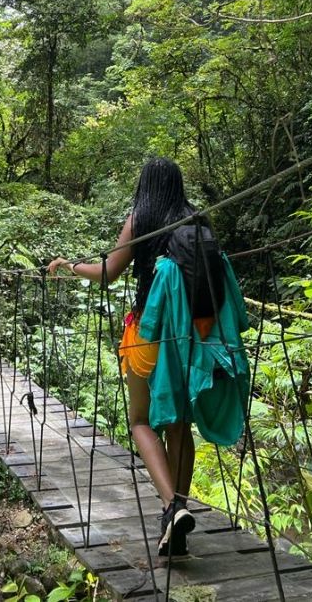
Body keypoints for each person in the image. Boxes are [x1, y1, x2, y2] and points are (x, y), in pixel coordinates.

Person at [48, 157, 200, 558]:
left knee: (139, 420)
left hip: (148, 334)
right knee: (180, 426)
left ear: (145, 184)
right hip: (188, 338)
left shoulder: (141, 217)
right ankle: (176, 521)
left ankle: (173, 507)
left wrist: (69, 265)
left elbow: (109, 271)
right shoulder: (196, 221)